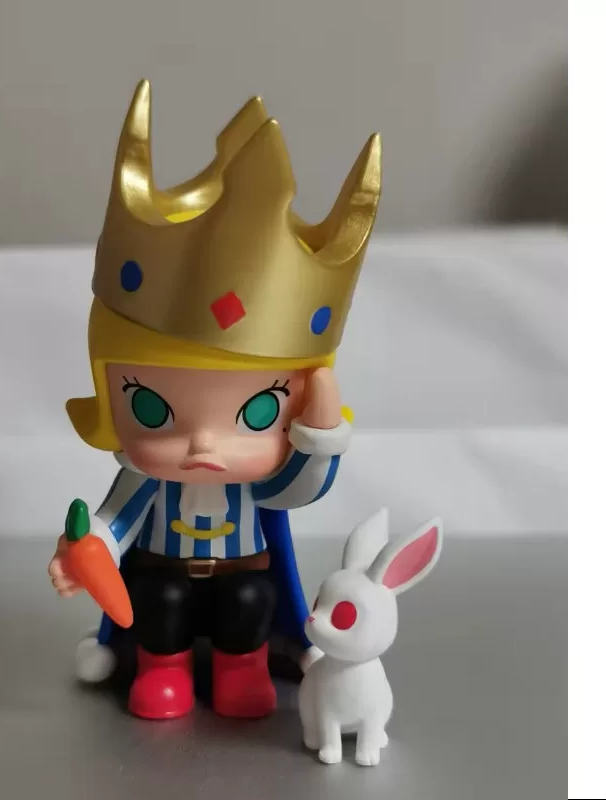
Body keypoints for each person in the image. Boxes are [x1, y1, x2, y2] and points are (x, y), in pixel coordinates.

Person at [48, 79, 382, 720]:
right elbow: (114, 524)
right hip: (162, 576)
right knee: (161, 602)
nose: (203, 443)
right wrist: (84, 551)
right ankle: (163, 672)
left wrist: (318, 437)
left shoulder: (259, 485)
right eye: (152, 408)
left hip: (242, 574)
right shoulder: (145, 477)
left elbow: (296, 491)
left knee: (250, 602)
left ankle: (241, 671)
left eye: (258, 413)